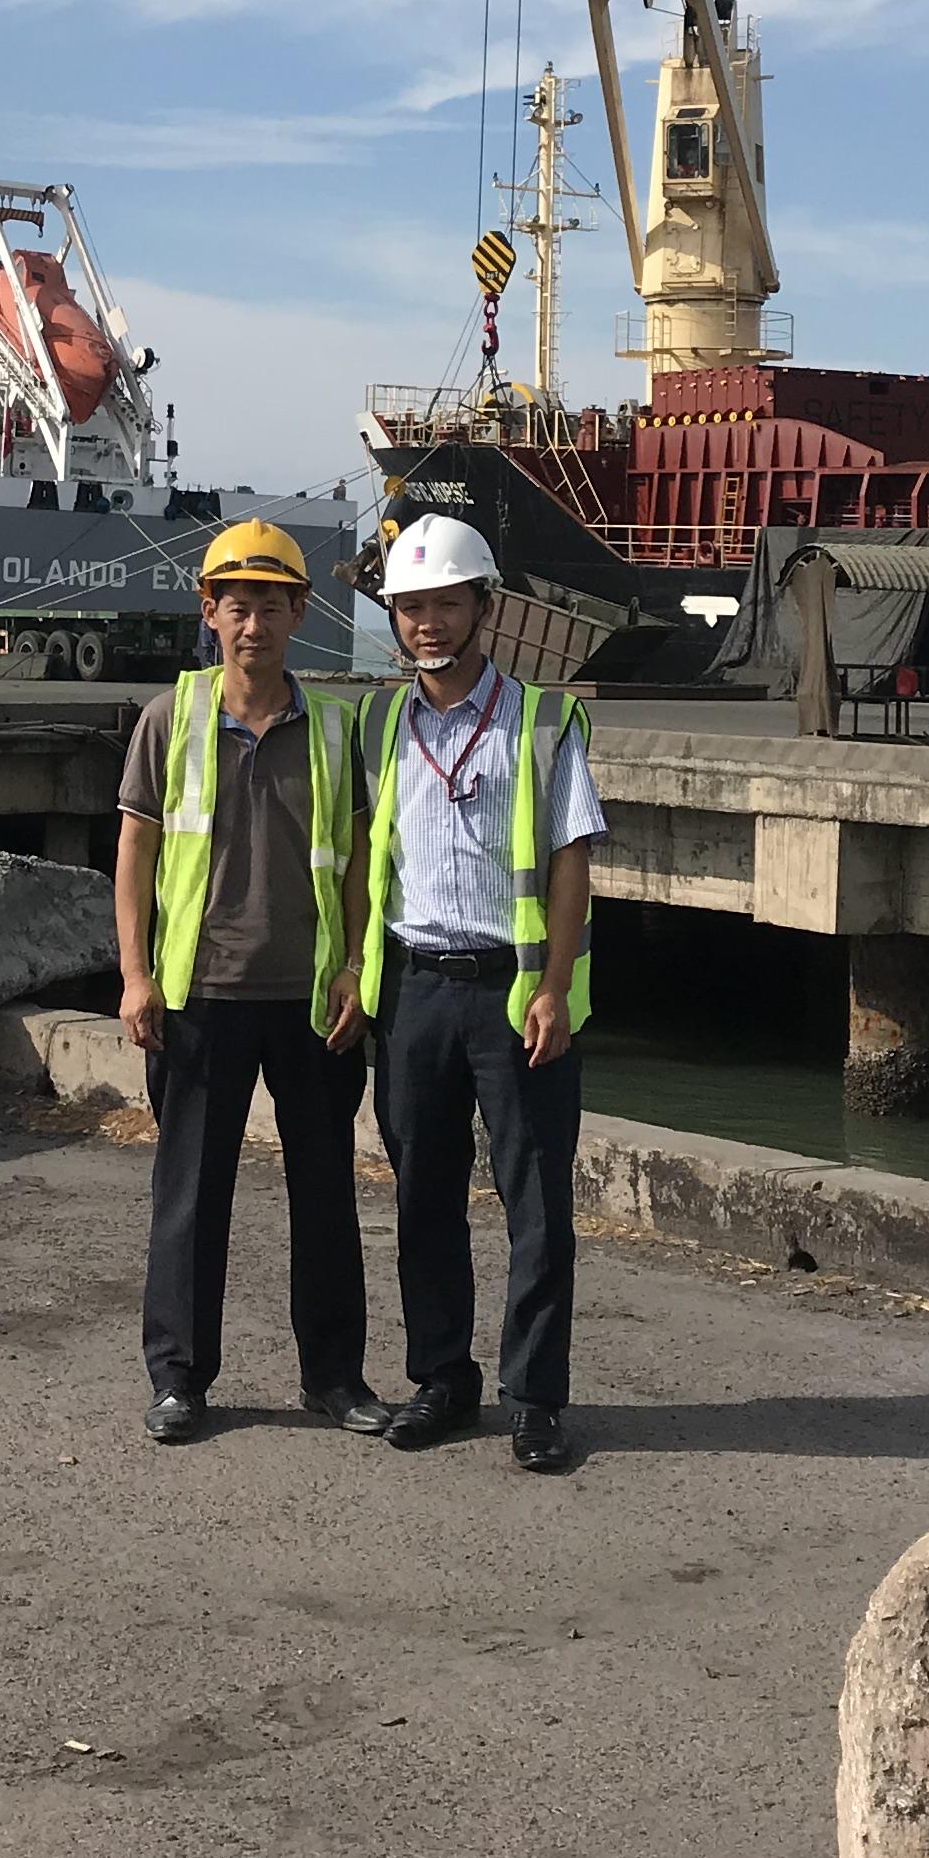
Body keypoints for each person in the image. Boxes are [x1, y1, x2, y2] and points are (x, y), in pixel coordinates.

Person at [112, 521, 387, 1446]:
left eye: (272, 606)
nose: (255, 624)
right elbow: (135, 852)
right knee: (190, 1197)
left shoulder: (335, 727)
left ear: (300, 613)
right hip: (201, 997)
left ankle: (336, 1379)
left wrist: (354, 966)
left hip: (309, 1002)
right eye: (238, 606)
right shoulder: (170, 719)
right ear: (210, 613)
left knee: (326, 1195)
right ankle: (180, 1380)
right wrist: (136, 976)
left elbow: (353, 862)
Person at [355, 514, 605, 1474]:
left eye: (445, 604)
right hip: (414, 987)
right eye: (411, 608)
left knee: (536, 1200)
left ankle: (536, 1397)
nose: (428, 623)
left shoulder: (541, 721)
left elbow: (572, 858)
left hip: (512, 993)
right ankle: (443, 1379)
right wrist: (354, 973)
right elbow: (358, 863)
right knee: (422, 1195)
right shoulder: (381, 723)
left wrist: (552, 985)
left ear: (483, 608)